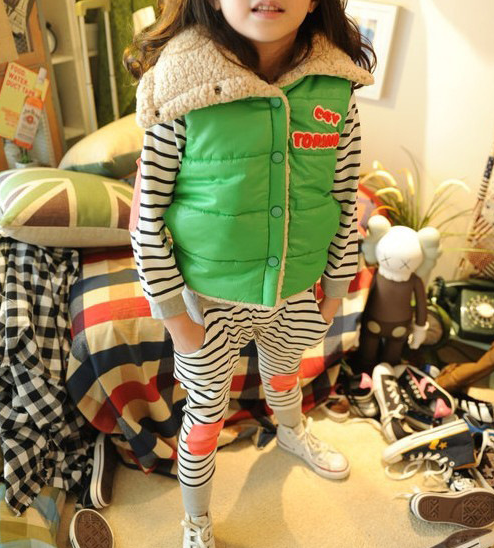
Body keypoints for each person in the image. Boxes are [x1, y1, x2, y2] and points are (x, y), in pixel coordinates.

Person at [125, 1, 375, 546]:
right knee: (204, 417)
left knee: (285, 374)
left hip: (294, 290)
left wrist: (334, 292)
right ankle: (196, 521)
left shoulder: (337, 93)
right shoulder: (177, 85)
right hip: (206, 303)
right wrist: (177, 322)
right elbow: (145, 222)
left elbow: (343, 199)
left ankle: (291, 432)